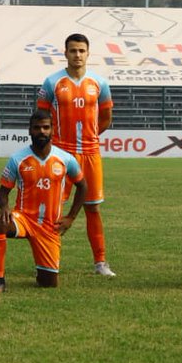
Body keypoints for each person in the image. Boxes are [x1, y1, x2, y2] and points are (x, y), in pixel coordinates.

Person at [37, 33, 117, 277]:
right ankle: (49, 260)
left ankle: (100, 262)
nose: (77, 55)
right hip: (61, 154)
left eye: (81, 50)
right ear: (65, 53)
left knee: (92, 208)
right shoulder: (52, 82)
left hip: (91, 154)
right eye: (73, 50)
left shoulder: (100, 83)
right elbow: (41, 118)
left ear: (88, 53)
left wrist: (91, 136)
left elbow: (106, 118)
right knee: (53, 209)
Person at [0, 109, 87, 292]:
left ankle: (43, 269)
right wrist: (4, 207)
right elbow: (2, 193)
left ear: (52, 130)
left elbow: (83, 186)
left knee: (48, 283)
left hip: (50, 226)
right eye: (37, 128)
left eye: (45, 127)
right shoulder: (18, 159)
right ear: (30, 130)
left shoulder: (66, 159)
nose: (41, 131)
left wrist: (71, 217)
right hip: (24, 219)